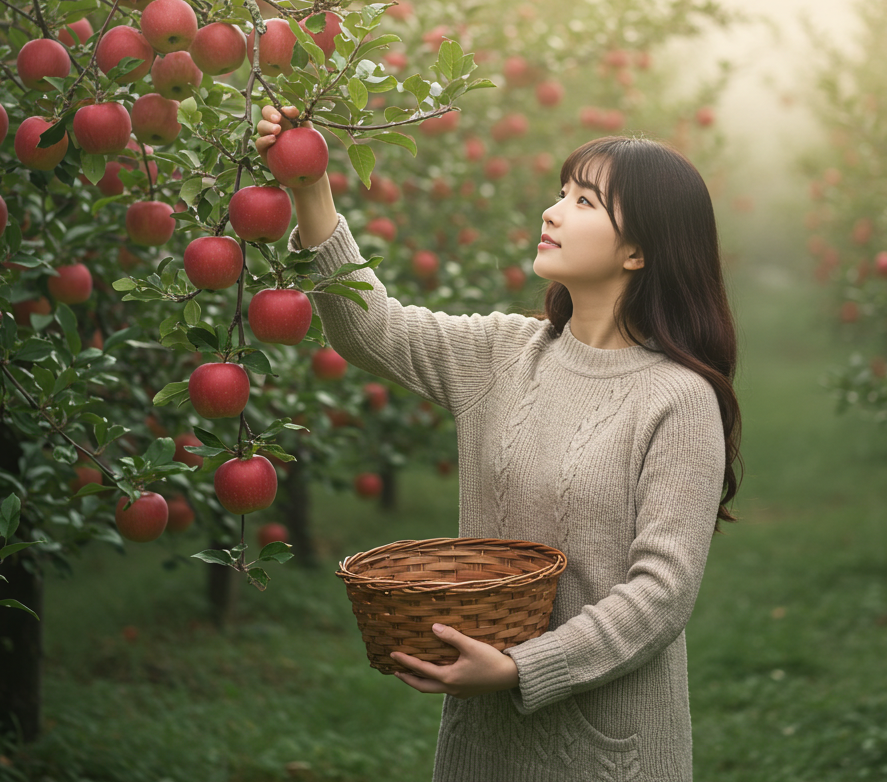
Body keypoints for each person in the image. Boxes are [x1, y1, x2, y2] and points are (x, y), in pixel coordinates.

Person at [255, 105, 741, 782]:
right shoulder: (505, 354)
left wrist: (520, 668)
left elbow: (662, 593)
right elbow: (372, 331)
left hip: (612, 752)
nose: (552, 212)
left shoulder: (678, 399)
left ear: (638, 251)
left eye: (583, 201)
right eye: (559, 192)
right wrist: (310, 188)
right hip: (484, 749)